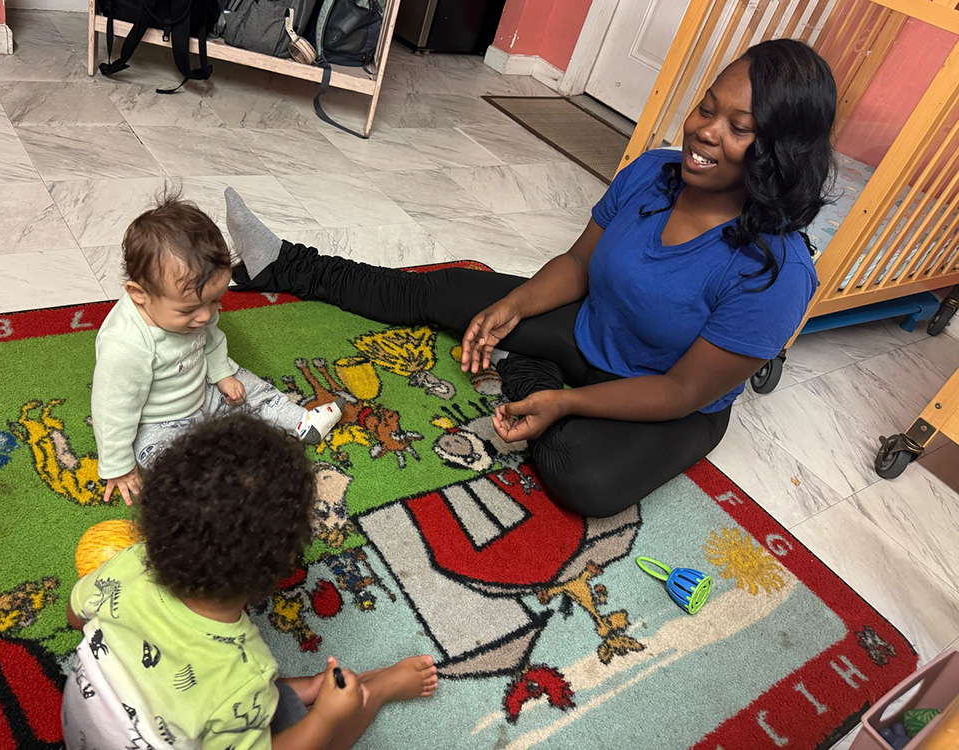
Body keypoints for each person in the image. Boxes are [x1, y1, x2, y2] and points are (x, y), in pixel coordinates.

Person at [225, 38, 836, 518]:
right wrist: (514, 304)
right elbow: (577, 265)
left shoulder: (775, 273)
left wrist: (565, 399)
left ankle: (532, 373)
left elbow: (680, 391)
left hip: (669, 398)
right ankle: (280, 262)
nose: (706, 130)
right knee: (440, 291)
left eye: (740, 126)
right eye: (707, 106)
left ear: (780, 149)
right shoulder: (653, 173)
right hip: (594, 326)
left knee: (583, 478)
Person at [62, 413, 439, 749]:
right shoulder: (244, 670)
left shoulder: (129, 563)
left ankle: (308, 689)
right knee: (324, 723)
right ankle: (374, 692)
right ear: (283, 563)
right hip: (210, 715)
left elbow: (75, 618)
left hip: (86, 731)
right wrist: (325, 719)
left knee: (231, 702)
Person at [91, 190, 344, 505]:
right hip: (157, 420)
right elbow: (111, 411)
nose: (207, 315)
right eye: (190, 310)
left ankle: (299, 420)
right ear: (139, 294)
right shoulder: (125, 346)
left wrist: (222, 374)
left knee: (249, 387)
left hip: (205, 389)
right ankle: (209, 486)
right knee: (160, 459)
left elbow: (209, 339)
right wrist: (117, 466)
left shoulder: (196, 308)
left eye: (215, 301)